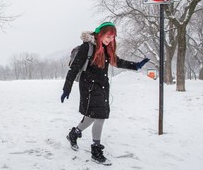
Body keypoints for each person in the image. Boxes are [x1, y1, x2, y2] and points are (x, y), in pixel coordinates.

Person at [60, 22, 149, 165]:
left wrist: (135, 65)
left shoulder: (106, 49)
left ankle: (74, 134)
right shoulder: (87, 47)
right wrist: (67, 88)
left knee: (91, 116)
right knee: (99, 116)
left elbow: (117, 61)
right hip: (88, 86)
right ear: (100, 33)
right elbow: (74, 68)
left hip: (102, 86)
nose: (110, 39)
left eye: (112, 37)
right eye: (108, 36)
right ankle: (96, 151)